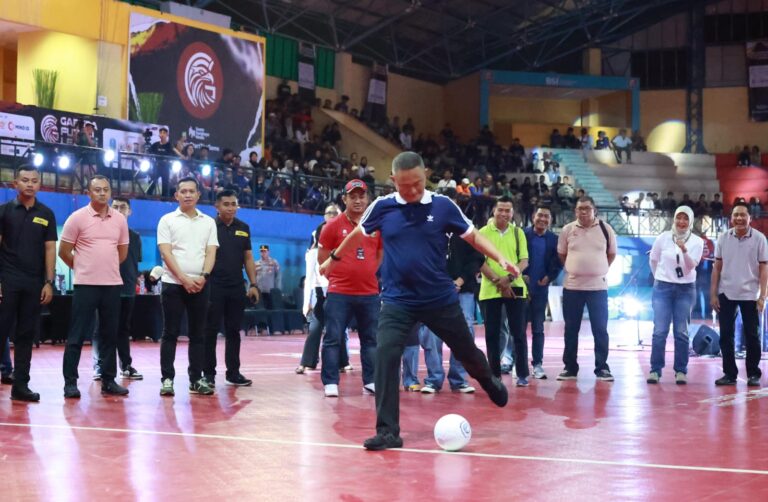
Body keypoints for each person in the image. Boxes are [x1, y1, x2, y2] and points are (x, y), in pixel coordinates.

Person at [320, 152, 512, 451]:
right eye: (405, 185)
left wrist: (500, 257)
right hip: (398, 301)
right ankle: (388, 432)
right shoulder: (382, 207)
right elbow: (359, 235)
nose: (412, 191)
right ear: (393, 181)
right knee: (385, 356)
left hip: (439, 299)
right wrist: (333, 259)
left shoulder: (443, 205)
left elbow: (473, 236)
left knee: (466, 350)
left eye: (418, 184)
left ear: (426, 175)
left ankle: (488, 380)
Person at [59, 175, 130, 398]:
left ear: (110, 192)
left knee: (110, 334)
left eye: (106, 189)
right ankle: (70, 382)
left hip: (111, 285)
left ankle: (109, 380)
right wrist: (81, 268)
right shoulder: (76, 218)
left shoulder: (119, 219)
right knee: (77, 335)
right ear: (88, 193)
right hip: (85, 285)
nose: (102, 193)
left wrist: (104, 267)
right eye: (97, 189)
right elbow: (64, 251)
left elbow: (122, 253)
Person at [318, 179, 381, 397]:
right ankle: (330, 382)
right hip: (339, 293)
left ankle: (371, 380)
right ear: (344, 199)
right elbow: (323, 260)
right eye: (352, 197)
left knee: (371, 339)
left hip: (370, 292)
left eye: (361, 196)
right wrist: (340, 276)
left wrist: (368, 272)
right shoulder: (332, 226)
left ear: (368, 199)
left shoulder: (376, 225)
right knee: (333, 337)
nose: (357, 200)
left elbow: (380, 256)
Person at [157, 177, 219, 396]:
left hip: (201, 285)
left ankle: (195, 379)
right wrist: (183, 278)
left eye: (191, 191)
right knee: (170, 333)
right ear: (176, 195)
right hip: (173, 284)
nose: (187, 195)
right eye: (183, 191)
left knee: (198, 334)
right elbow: (166, 252)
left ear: (198, 195)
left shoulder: (208, 222)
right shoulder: (167, 220)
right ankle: (167, 379)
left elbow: (211, 252)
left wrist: (203, 276)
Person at [0, 165, 57, 401]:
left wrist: (49, 282)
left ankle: (20, 386)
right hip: (7, 280)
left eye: (34, 180)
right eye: (25, 180)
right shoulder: (4, 212)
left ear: (39, 185)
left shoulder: (46, 214)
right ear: (15, 183)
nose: (30, 184)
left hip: (34, 283)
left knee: (26, 335)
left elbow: (50, 248)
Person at [556, 196, 617, 382]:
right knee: (571, 329)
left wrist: (596, 270)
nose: (583, 212)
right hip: (572, 287)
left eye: (587, 208)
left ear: (594, 210)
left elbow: (611, 254)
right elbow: (562, 254)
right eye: (580, 208)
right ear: (575, 211)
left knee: (600, 329)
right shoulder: (567, 230)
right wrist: (576, 268)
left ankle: (602, 368)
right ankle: (570, 368)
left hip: (598, 288)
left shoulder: (606, 229)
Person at [203, 190, 260, 387]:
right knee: (210, 331)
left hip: (236, 287)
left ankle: (233, 373)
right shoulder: (207, 226)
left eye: (234, 204)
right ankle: (208, 375)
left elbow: (248, 258)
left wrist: (253, 284)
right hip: (213, 286)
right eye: (226, 204)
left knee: (234, 331)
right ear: (217, 207)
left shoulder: (244, 228)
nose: (230, 208)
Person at [710, 202, 768, 387]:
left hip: (750, 294)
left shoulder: (759, 239)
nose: (739, 218)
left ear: (750, 218)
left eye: (743, 215)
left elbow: (764, 268)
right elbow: (716, 267)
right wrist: (713, 294)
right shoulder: (723, 238)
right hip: (726, 293)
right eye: (736, 215)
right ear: (731, 218)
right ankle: (729, 373)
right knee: (725, 335)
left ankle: (753, 374)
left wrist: (762, 296)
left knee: (752, 336)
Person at [647, 206, 704, 384]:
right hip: (662, 288)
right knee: (660, 331)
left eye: (685, 219)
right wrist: (660, 277)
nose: (681, 222)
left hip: (685, 290)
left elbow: (691, 266)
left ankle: (681, 370)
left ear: (690, 221)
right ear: (674, 219)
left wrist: (684, 249)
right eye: (678, 218)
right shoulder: (663, 237)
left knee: (681, 331)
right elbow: (653, 260)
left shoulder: (697, 241)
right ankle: (655, 370)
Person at [478, 196, 531, 386]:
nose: (504, 213)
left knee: (519, 333)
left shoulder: (518, 233)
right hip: (490, 289)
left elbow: (524, 261)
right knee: (492, 334)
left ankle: (523, 374)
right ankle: (495, 375)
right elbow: (480, 262)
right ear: (494, 210)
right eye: (500, 209)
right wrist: (497, 280)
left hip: (515, 287)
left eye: (508, 210)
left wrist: (508, 279)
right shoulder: (482, 232)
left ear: (512, 212)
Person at [92, 197, 143, 381]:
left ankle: (126, 365)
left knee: (123, 329)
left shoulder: (136, 237)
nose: (120, 210)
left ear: (130, 212)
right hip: (105, 286)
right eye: (116, 207)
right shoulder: (102, 233)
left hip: (127, 288)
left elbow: (133, 265)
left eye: (123, 207)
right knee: (101, 328)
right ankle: (100, 365)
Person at [523, 205, 563, 380]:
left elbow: (558, 262)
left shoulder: (554, 239)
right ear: (533, 216)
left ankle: (537, 364)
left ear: (550, 220)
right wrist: (521, 275)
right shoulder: (522, 235)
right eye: (540, 215)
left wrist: (549, 277)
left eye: (546, 216)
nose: (542, 219)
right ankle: (518, 362)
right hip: (520, 290)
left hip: (541, 290)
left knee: (538, 329)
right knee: (518, 329)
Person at [148, 126, 177, 197]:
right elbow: (148, 152)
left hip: (165, 168)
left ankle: (164, 199)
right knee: (153, 182)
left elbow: (173, 155)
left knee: (165, 185)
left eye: (164, 133)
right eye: (160, 132)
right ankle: (148, 196)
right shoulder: (155, 144)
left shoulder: (169, 145)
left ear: (167, 135)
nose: (162, 134)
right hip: (156, 167)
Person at [254, 244, 281, 312]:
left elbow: (278, 277)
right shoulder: (256, 264)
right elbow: (253, 277)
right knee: (260, 310)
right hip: (259, 291)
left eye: (265, 251)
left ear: (268, 252)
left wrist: (278, 289)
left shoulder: (274, 263)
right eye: (261, 251)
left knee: (271, 309)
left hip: (270, 291)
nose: (263, 253)